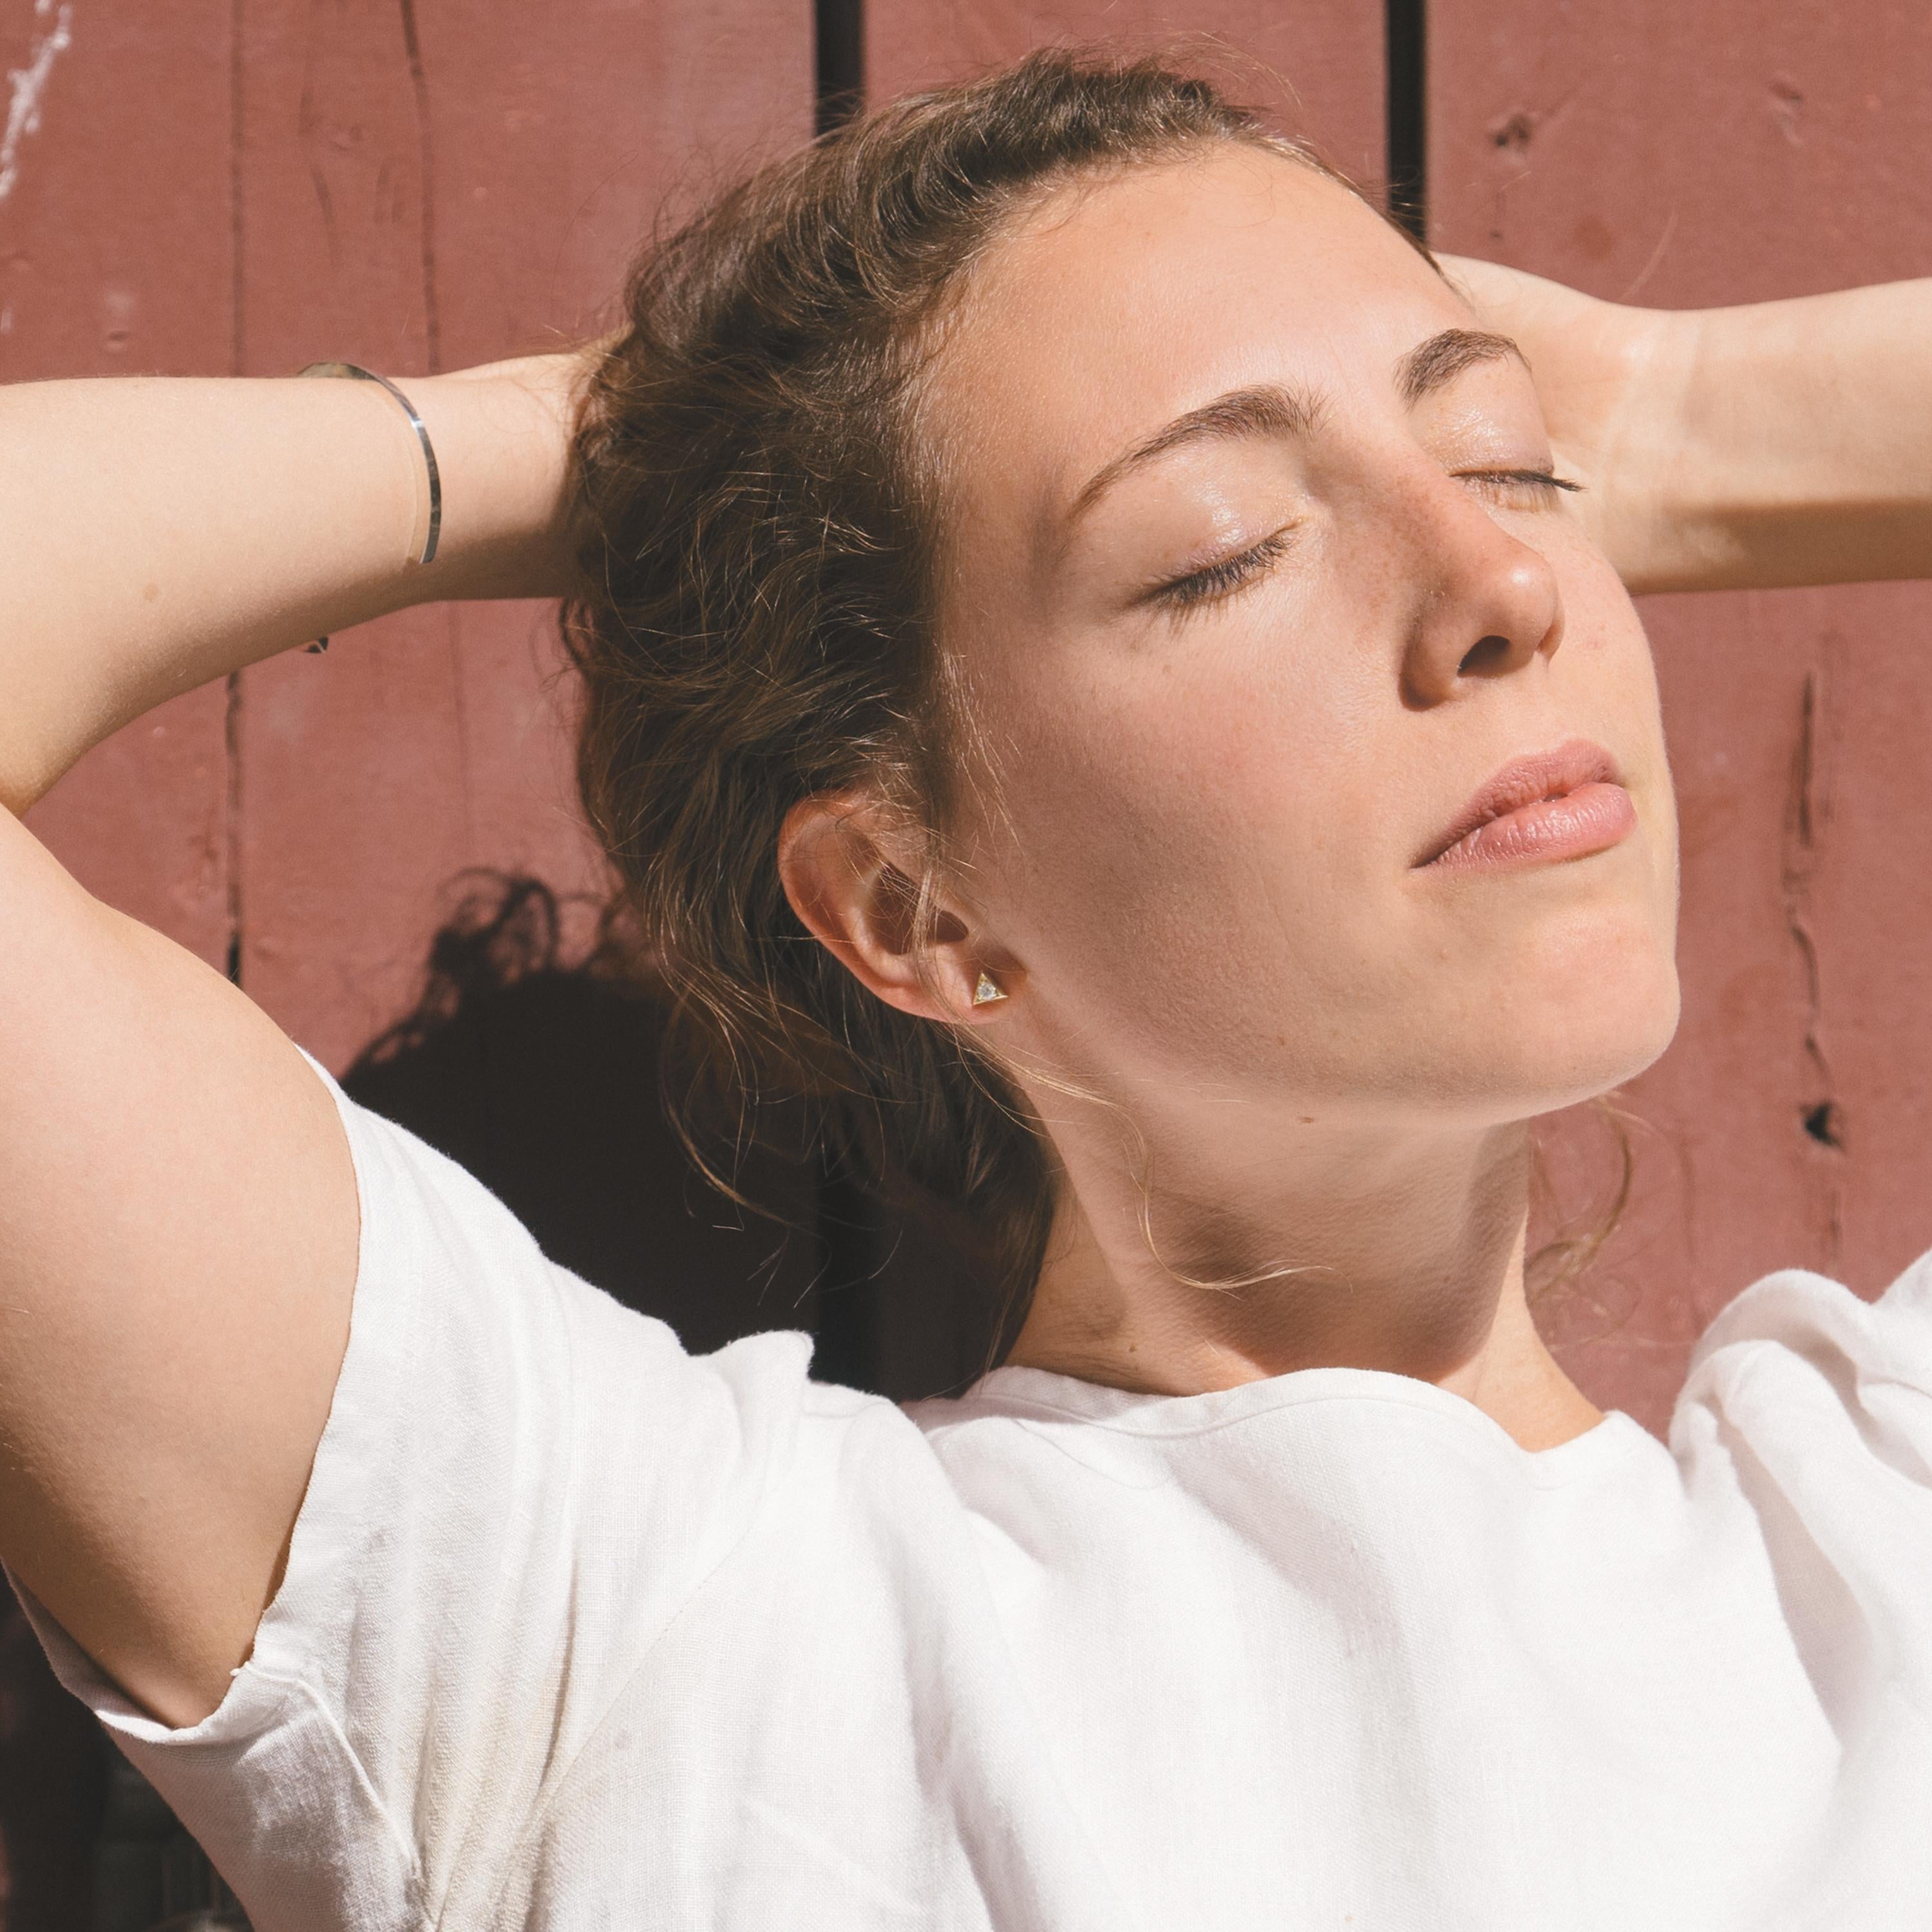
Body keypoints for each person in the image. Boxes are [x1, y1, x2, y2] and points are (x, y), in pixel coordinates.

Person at [2, 44, 1929, 1929]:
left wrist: (1680, 406)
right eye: (1220, 550)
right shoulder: (638, 1628)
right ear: (915, 908)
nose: (1505, 579)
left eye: (1513, 454)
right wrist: (617, 436)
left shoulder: (1877, 1539)